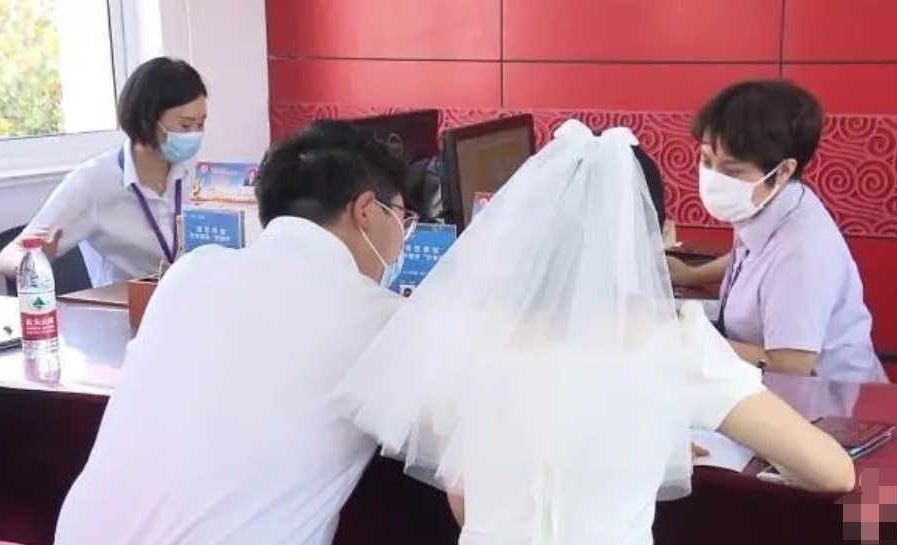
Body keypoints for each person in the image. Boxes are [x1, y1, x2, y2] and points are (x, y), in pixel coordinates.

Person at [338, 120, 854, 545]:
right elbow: (833, 471)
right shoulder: (676, 342)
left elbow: (464, 502)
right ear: (647, 233)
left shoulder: (464, 331)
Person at [53, 121, 419, 545]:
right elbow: (454, 445)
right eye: (402, 218)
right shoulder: (377, 318)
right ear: (366, 210)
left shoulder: (191, 272)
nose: (402, 239)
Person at [667, 80, 887, 383]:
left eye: (732, 171)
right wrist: (692, 275)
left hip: (829, 399)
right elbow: (756, 259)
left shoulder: (803, 250)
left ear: (783, 170)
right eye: (706, 160)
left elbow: (789, 365)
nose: (714, 179)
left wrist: (684, 340)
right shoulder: (769, 202)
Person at [0, 57, 208, 287]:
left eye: (201, 124)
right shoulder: (93, 182)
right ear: (145, 119)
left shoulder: (198, 176)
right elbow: (7, 257)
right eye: (185, 125)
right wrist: (34, 261)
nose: (195, 135)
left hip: (191, 300)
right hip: (125, 306)